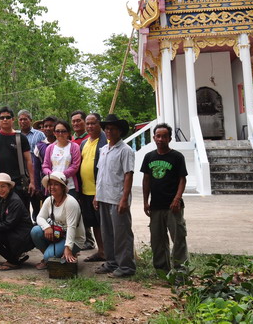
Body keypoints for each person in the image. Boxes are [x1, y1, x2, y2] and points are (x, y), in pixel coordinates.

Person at [141, 123, 189, 272]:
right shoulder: (149, 157)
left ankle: (181, 271)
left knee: (178, 238)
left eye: (164, 136)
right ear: (154, 138)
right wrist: (145, 202)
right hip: (156, 206)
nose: (161, 139)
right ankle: (162, 270)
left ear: (170, 138)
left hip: (173, 206)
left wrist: (177, 199)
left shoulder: (177, 157)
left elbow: (182, 179)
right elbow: (146, 180)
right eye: (158, 136)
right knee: (157, 240)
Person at [93, 114, 136, 278]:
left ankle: (126, 267)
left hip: (117, 198)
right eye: (107, 128)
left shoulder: (125, 150)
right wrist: (96, 195)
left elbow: (128, 174)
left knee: (122, 234)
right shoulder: (104, 149)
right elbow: (101, 174)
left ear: (120, 131)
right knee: (107, 233)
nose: (109, 131)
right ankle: (111, 263)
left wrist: (124, 198)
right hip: (104, 196)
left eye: (112, 128)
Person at [31, 172, 86, 270]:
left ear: (63, 187)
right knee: (35, 231)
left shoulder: (70, 202)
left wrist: (68, 248)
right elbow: (40, 217)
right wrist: (47, 227)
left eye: (56, 184)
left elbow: (71, 227)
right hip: (57, 234)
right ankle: (50, 258)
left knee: (49, 256)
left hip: (74, 239)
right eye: (50, 184)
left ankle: (53, 256)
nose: (52, 187)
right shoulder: (49, 200)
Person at [0, 173, 34, 271]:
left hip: (21, 236)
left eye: (3, 186)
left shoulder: (14, 201)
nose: (0, 190)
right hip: (13, 233)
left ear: (9, 187)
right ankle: (14, 258)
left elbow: (9, 224)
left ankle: (13, 261)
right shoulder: (4, 200)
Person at [0, 107, 35, 211]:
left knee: (20, 212)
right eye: (2, 118)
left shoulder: (21, 138)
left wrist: (32, 181)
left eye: (8, 117)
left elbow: (28, 160)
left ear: (13, 119)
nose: (5, 120)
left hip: (17, 182)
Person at [79, 113, 108, 259]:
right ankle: (101, 251)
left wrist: (99, 191)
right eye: (87, 123)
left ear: (99, 124)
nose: (90, 126)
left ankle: (110, 253)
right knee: (94, 223)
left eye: (93, 123)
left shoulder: (106, 142)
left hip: (100, 192)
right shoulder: (84, 143)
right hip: (86, 191)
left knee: (105, 224)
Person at [42, 120, 81, 196]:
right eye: (57, 131)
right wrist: (53, 176)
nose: (60, 133)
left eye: (63, 131)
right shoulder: (50, 148)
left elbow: (75, 166)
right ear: (54, 133)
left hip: (69, 185)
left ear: (68, 133)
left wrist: (61, 176)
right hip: (53, 186)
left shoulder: (74, 147)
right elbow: (45, 166)